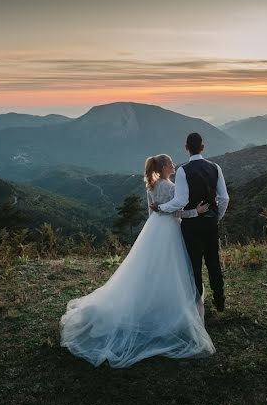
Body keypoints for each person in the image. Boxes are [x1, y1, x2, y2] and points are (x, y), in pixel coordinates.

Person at [59, 154, 215, 368]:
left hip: (153, 230)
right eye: (170, 162)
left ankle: (151, 301)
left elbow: (153, 211)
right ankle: (169, 306)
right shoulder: (170, 187)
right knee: (172, 270)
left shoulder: (151, 187)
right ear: (164, 167)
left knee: (149, 269)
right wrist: (195, 212)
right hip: (169, 231)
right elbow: (175, 212)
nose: (173, 164)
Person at [150, 132, 230, 314]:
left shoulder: (183, 170)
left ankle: (197, 306)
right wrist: (216, 216)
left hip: (192, 224)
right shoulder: (215, 167)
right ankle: (220, 301)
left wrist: (161, 208)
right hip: (210, 222)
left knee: (194, 264)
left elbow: (180, 201)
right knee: (213, 261)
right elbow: (224, 197)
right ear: (203, 147)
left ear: (186, 148)